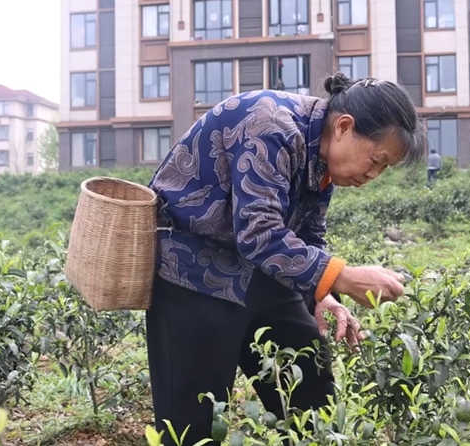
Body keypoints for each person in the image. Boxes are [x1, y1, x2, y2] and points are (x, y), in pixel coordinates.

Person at [146, 73, 424, 446]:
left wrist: (321, 296)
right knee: (192, 425)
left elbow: (309, 235)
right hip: (194, 272)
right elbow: (259, 233)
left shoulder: (324, 158)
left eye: (384, 168)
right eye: (376, 160)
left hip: (261, 273)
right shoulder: (270, 124)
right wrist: (343, 276)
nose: (373, 174)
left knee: (311, 394)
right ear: (344, 127)